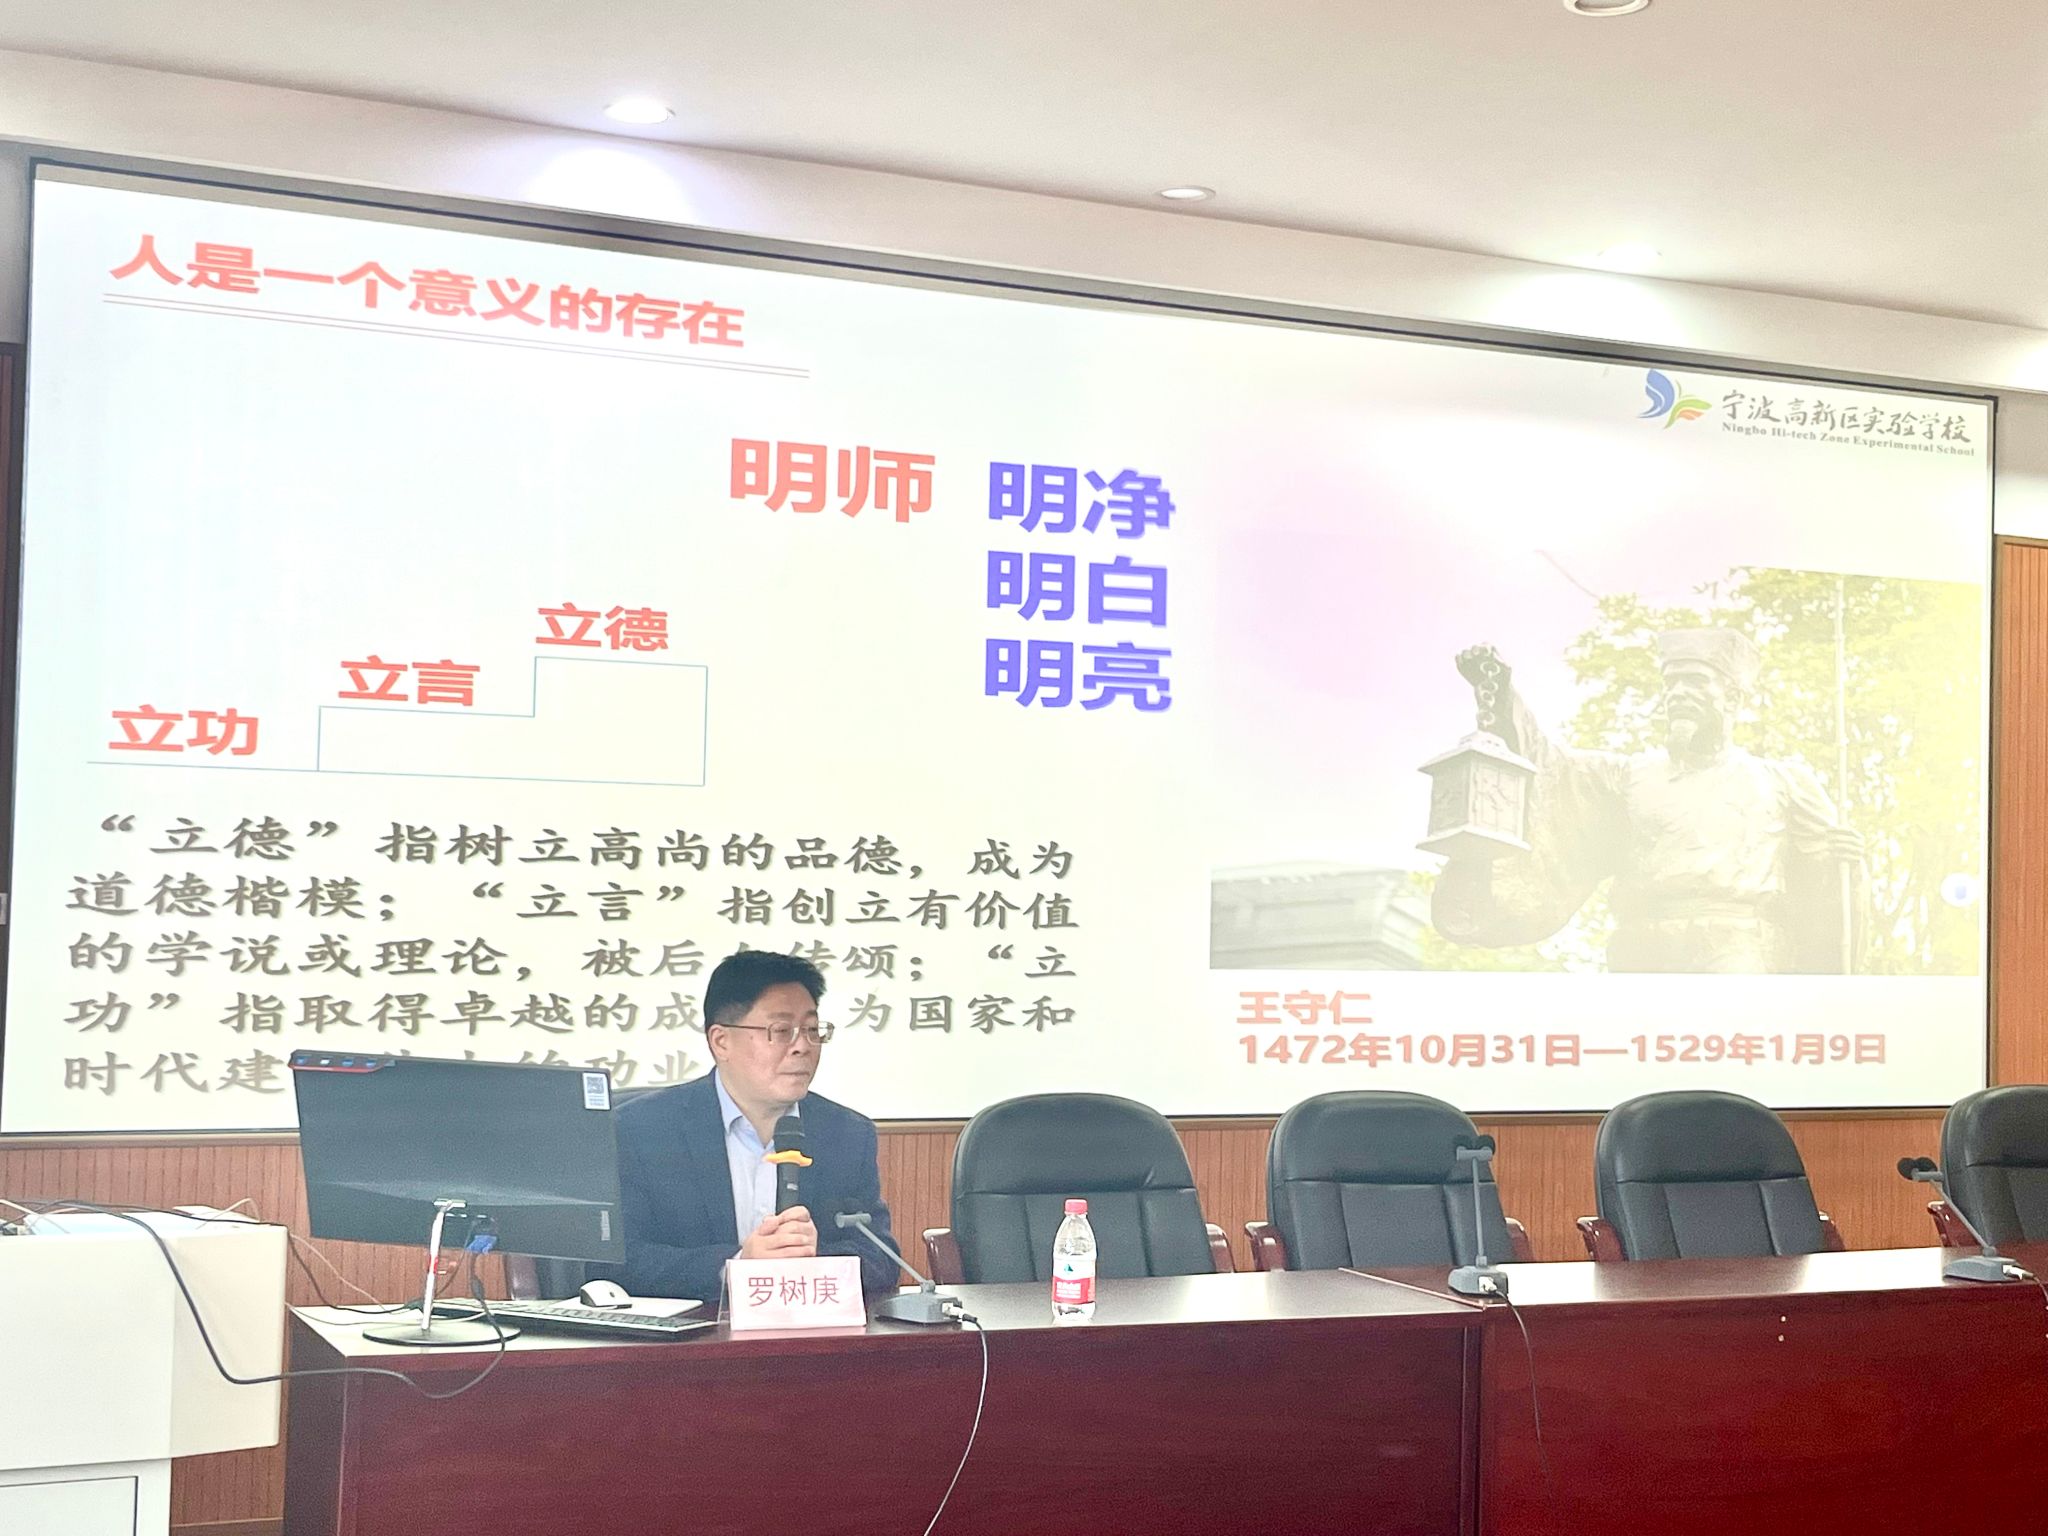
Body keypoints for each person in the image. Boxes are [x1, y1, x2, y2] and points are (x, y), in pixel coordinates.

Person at [1432, 628, 1865, 973]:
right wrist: (1501, 695)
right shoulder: (1627, 775)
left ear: (1732, 697)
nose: (1677, 693)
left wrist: (1842, 860)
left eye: (1696, 681)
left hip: (1737, 944)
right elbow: (1551, 769)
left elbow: (1823, 885)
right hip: (1640, 943)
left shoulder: (1783, 781)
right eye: (1671, 683)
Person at [601, 950, 899, 1300]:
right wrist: (739, 1265)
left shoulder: (846, 1135)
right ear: (721, 1041)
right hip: (693, 1332)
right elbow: (618, 1263)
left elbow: (881, 1259)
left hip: (807, 1329)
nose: (803, 1046)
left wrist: (812, 1258)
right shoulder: (641, 1130)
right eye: (781, 1030)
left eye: (812, 1030)